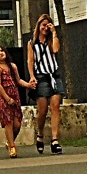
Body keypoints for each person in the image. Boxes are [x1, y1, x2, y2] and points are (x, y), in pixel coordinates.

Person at [28, 13, 64, 155]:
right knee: (42, 110)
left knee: (55, 106)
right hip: (41, 77)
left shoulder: (52, 40)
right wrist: (32, 77)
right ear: (39, 26)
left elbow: (56, 49)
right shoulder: (32, 43)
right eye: (43, 25)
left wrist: (54, 32)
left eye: (48, 25)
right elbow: (30, 61)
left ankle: (55, 140)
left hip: (54, 76)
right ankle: (40, 134)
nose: (45, 28)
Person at [0, 45, 35, 159]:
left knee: (17, 124)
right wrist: (7, 98)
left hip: (14, 95)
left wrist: (28, 85)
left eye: (2, 51)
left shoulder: (12, 66)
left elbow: (18, 80)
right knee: (8, 122)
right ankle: (12, 146)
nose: (1, 53)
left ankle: (10, 142)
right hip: (3, 96)